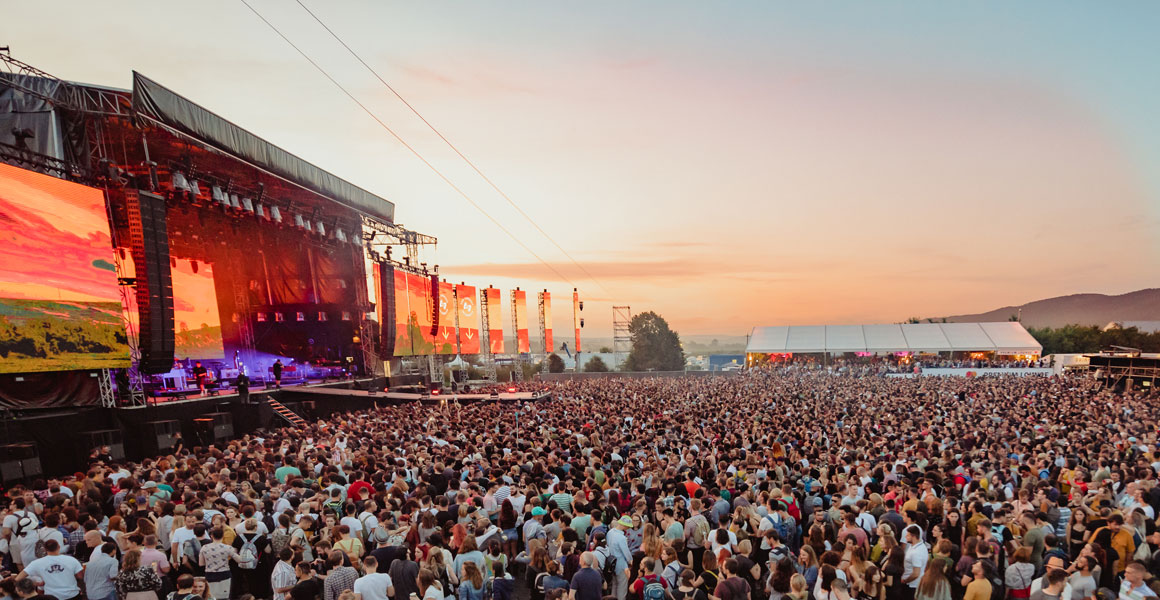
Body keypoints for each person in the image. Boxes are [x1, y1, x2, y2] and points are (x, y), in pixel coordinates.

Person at [16, 539, 82, 600]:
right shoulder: (71, 560)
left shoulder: (36, 563)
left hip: (51, 596)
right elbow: (80, 576)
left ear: (45, 549)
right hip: (72, 595)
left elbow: (18, 578)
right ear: (59, 547)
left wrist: (33, 583)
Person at [198, 527, 240, 600]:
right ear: (222, 536)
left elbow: (201, 563)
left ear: (212, 536)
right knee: (224, 596)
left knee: (211, 596)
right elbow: (238, 560)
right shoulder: (227, 548)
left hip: (210, 574)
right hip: (224, 573)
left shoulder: (204, 547)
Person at [902, 526, 928, 600]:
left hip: (911, 585)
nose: (905, 537)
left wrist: (905, 580)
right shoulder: (919, 546)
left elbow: (916, 573)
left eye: (907, 535)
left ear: (913, 536)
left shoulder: (916, 553)